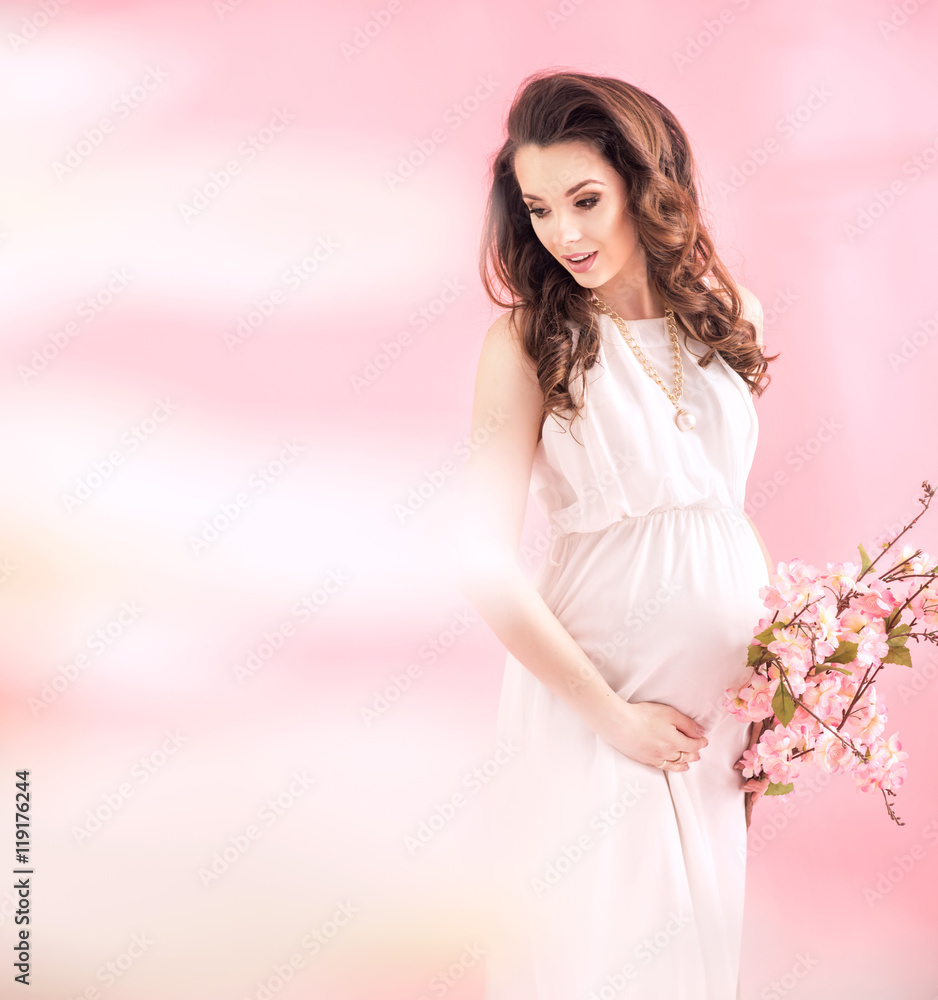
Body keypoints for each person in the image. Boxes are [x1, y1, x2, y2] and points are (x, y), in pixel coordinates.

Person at [454, 70, 781, 1000]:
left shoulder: (730, 317)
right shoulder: (525, 342)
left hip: (714, 725)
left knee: (693, 968)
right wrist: (613, 717)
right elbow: (479, 559)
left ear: (646, 183)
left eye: (586, 199)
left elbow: (724, 510)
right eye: (540, 208)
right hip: (594, 708)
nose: (564, 233)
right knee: (598, 962)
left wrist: (778, 679)